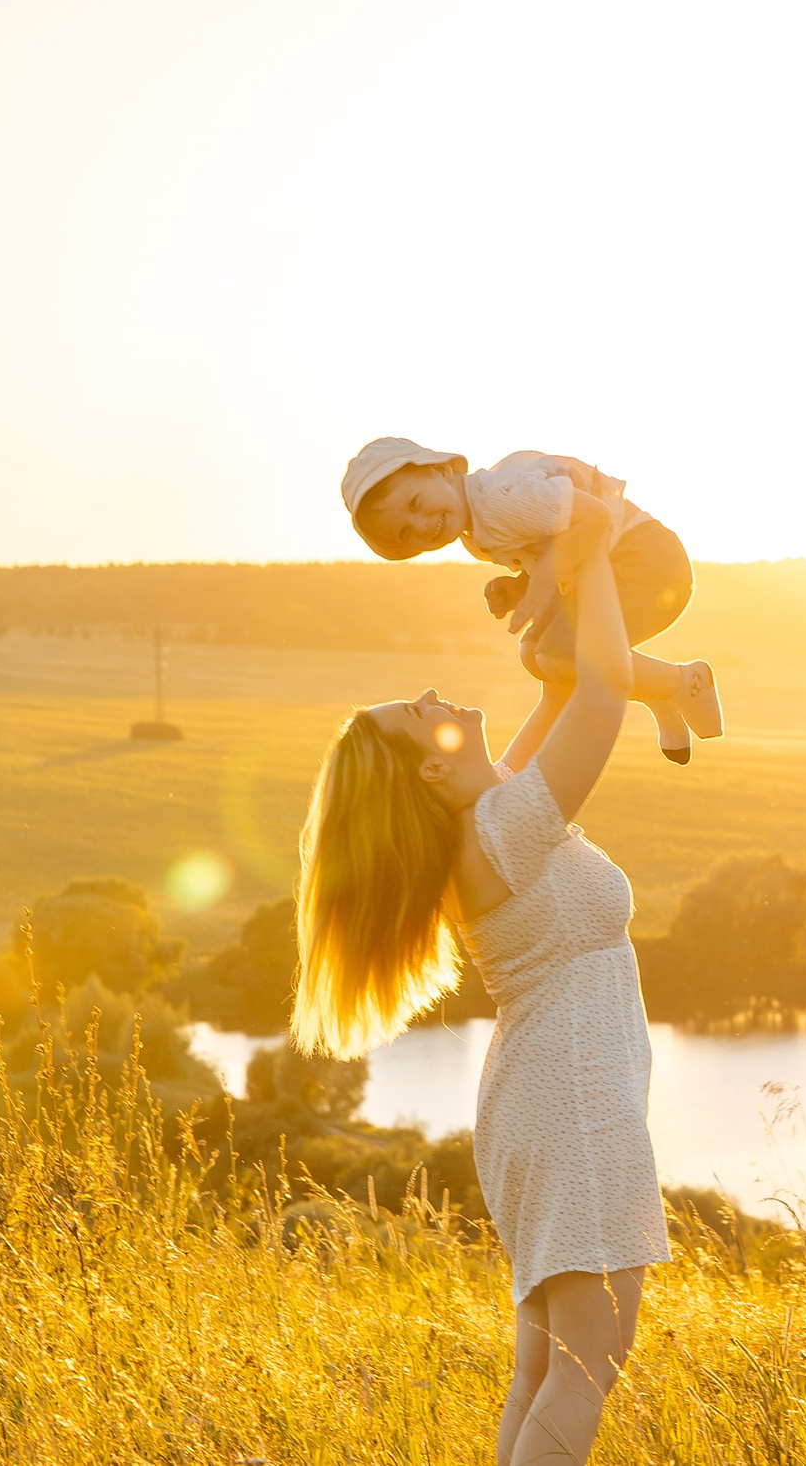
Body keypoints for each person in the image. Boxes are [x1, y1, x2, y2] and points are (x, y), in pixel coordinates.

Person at [292, 493, 664, 1463]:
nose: (433, 695)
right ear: (426, 772)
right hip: (571, 1106)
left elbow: (560, 695)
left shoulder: (493, 816)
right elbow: (606, 689)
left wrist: (554, 608)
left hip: (547, 1104)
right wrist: (583, 556)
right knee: (585, 1370)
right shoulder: (502, 830)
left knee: (547, 1372)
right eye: (419, 714)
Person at [340, 435, 723, 764]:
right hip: (604, 569)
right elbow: (556, 544)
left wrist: (540, 583)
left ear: (442, 470)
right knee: (535, 656)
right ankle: (663, 693)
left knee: (562, 656)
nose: (423, 524)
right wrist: (521, 586)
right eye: (406, 532)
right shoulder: (477, 527)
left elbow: (594, 517)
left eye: (414, 503)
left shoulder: (496, 502)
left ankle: (685, 682)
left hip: (645, 562)